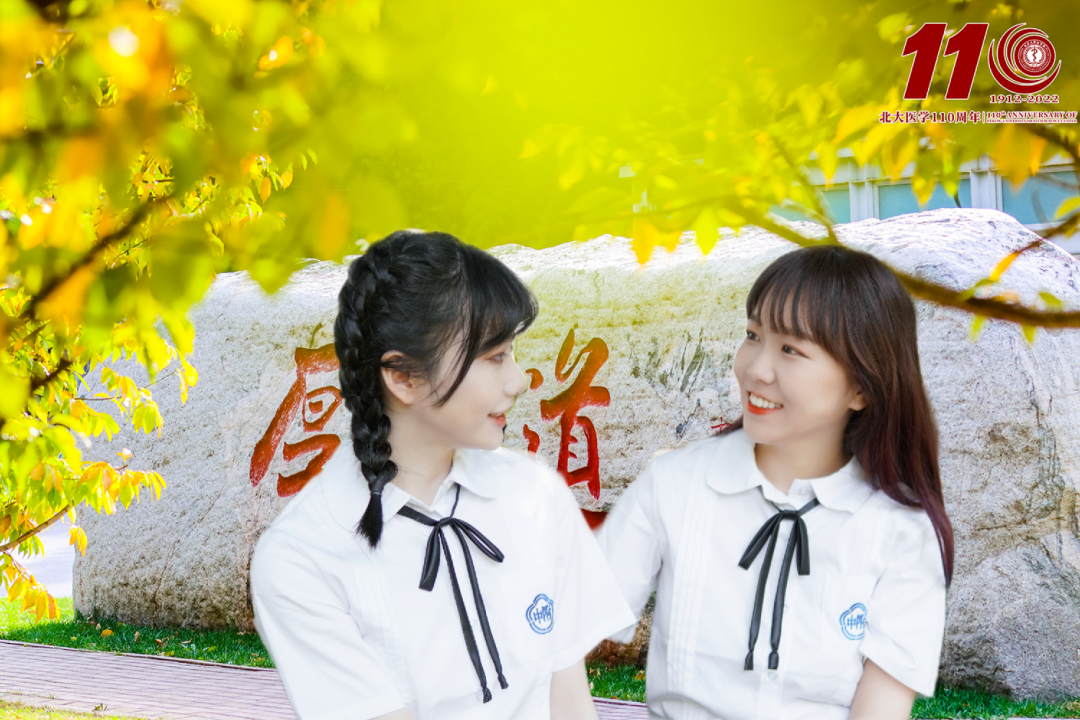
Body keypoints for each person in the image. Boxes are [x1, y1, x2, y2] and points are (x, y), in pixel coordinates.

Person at [250, 230, 635, 720]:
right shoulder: (302, 558)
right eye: (494, 357)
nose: (519, 381)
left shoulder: (535, 494)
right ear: (403, 377)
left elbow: (570, 703)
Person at [597, 245, 953, 720]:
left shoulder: (902, 531)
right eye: (753, 336)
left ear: (861, 388)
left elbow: (882, 707)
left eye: (790, 349)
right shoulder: (673, 486)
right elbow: (569, 627)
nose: (754, 370)